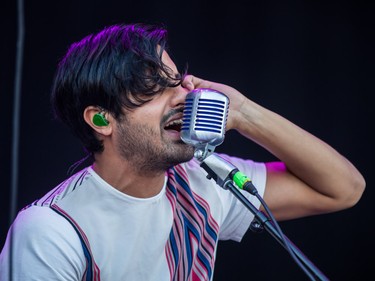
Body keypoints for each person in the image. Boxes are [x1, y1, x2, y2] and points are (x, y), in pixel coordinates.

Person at [0, 23, 365, 281]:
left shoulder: (205, 181)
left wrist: (243, 113)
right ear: (100, 119)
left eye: (177, 82)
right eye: (154, 87)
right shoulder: (50, 231)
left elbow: (343, 189)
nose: (183, 96)